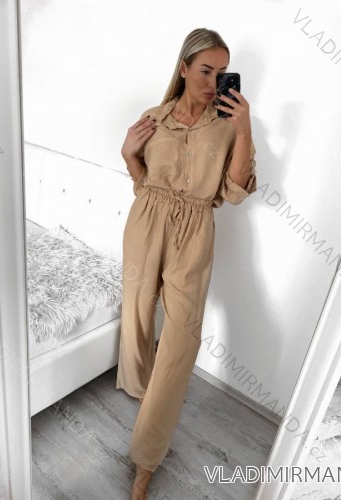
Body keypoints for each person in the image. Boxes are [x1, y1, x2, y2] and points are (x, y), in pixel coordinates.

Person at [116, 28, 258, 500]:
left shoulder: (228, 124)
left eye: (222, 73)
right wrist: (127, 154)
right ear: (183, 68)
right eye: (205, 71)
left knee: (181, 338)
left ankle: (145, 459)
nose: (214, 82)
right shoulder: (153, 118)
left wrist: (244, 129)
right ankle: (141, 391)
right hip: (146, 222)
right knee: (137, 315)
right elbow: (142, 182)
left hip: (195, 233)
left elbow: (235, 191)